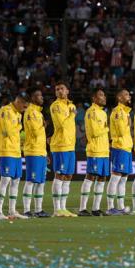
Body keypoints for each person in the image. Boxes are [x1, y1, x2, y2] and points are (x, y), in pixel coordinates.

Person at [0, 93, 29, 220]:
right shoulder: (6, 111)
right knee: (5, 180)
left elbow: (16, 134)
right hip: (6, 150)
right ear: (18, 101)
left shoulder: (18, 114)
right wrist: (20, 127)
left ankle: (12, 211)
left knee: (16, 181)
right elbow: (7, 131)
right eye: (24, 106)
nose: (24, 109)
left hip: (16, 151)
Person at [79, 88, 111, 216]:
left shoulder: (102, 113)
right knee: (91, 177)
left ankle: (96, 208)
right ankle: (82, 208)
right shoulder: (91, 112)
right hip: (95, 150)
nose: (104, 97)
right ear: (94, 98)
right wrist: (107, 128)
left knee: (102, 178)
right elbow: (94, 132)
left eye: (104, 95)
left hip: (104, 150)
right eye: (100, 95)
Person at [50, 82, 77, 217]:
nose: (59, 91)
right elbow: (62, 125)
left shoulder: (71, 106)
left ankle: (64, 208)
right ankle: (57, 209)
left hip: (70, 145)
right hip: (60, 145)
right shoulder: (55, 106)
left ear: (67, 90)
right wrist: (72, 115)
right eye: (57, 89)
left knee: (68, 176)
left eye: (62, 88)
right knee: (59, 175)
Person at [22, 88, 50, 218]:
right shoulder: (30, 112)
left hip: (40, 151)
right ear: (32, 98)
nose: (42, 98)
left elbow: (40, 135)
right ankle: (27, 210)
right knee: (31, 181)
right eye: (39, 95)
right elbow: (34, 131)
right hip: (32, 151)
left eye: (41, 95)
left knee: (41, 182)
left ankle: (38, 210)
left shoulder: (39, 113)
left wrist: (45, 153)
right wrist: (43, 125)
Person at [108, 89, 134, 214]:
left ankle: (121, 207)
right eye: (126, 94)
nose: (129, 96)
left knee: (123, 178)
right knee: (116, 177)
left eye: (128, 94)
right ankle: (110, 207)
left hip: (127, 147)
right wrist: (128, 123)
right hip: (119, 147)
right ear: (119, 98)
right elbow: (121, 131)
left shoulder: (126, 112)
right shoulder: (118, 112)